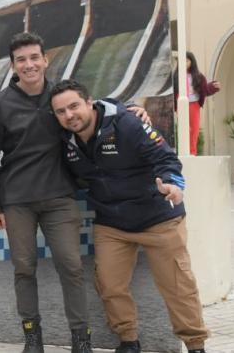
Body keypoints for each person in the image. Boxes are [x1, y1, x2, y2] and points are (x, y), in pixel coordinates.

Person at [49, 79, 209, 353]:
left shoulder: (127, 123)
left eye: (74, 106)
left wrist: (172, 184)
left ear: (89, 102)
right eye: (61, 111)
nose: (69, 115)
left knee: (178, 287)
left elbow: (166, 159)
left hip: (158, 217)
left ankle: (195, 345)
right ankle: (128, 341)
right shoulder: (64, 139)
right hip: (112, 223)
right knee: (109, 285)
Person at [0, 32, 92, 353]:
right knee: (24, 269)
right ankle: (32, 336)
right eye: (21, 60)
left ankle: (81, 339)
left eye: (33, 57)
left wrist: (132, 110)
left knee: (71, 266)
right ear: (13, 65)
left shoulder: (59, 99)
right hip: (17, 201)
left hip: (59, 197)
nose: (28, 65)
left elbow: (90, 110)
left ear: (45, 59)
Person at [172, 51, 221, 155]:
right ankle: (182, 152)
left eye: (186, 60)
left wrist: (213, 87)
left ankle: (192, 152)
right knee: (183, 128)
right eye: (182, 61)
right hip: (181, 105)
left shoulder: (198, 76)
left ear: (192, 62)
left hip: (194, 104)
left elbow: (205, 90)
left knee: (194, 129)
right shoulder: (175, 77)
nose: (184, 63)